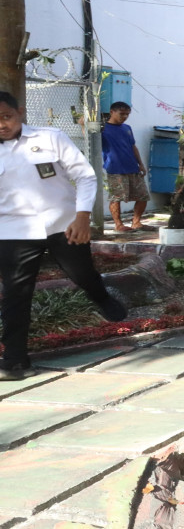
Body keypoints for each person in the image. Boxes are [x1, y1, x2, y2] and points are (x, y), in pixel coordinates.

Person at [0, 90, 127, 380]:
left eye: (6, 117)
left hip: (64, 224)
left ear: (20, 112)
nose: (2, 125)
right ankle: (15, 360)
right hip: (13, 231)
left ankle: (100, 296)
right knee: (15, 295)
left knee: (82, 274)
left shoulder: (50, 137)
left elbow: (84, 175)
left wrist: (83, 216)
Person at [100, 101, 151, 232]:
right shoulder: (103, 128)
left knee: (143, 195)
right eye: (122, 114)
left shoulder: (127, 128)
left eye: (127, 114)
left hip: (132, 167)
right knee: (117, 197)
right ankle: (118, 224)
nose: (124, 117)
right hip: (115, 168)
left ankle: (136, 222)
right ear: (112, 112)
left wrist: (140, 164)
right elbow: (90, 138)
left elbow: (133, 146)